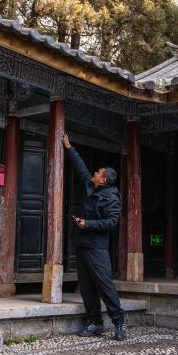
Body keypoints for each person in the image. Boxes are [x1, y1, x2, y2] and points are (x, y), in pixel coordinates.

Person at [62, 132, 127, 341]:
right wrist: (70, 148)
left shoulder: (111, 198)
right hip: (82, 245)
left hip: (97, 249)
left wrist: (87, 224)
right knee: (87, 288)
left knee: (105, 286)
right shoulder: (91, 186)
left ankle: (119, 323)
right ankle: (95, 322)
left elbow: (111, 223)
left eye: (98, 173)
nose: (94, 173)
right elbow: (81, 170)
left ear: (104, 179)